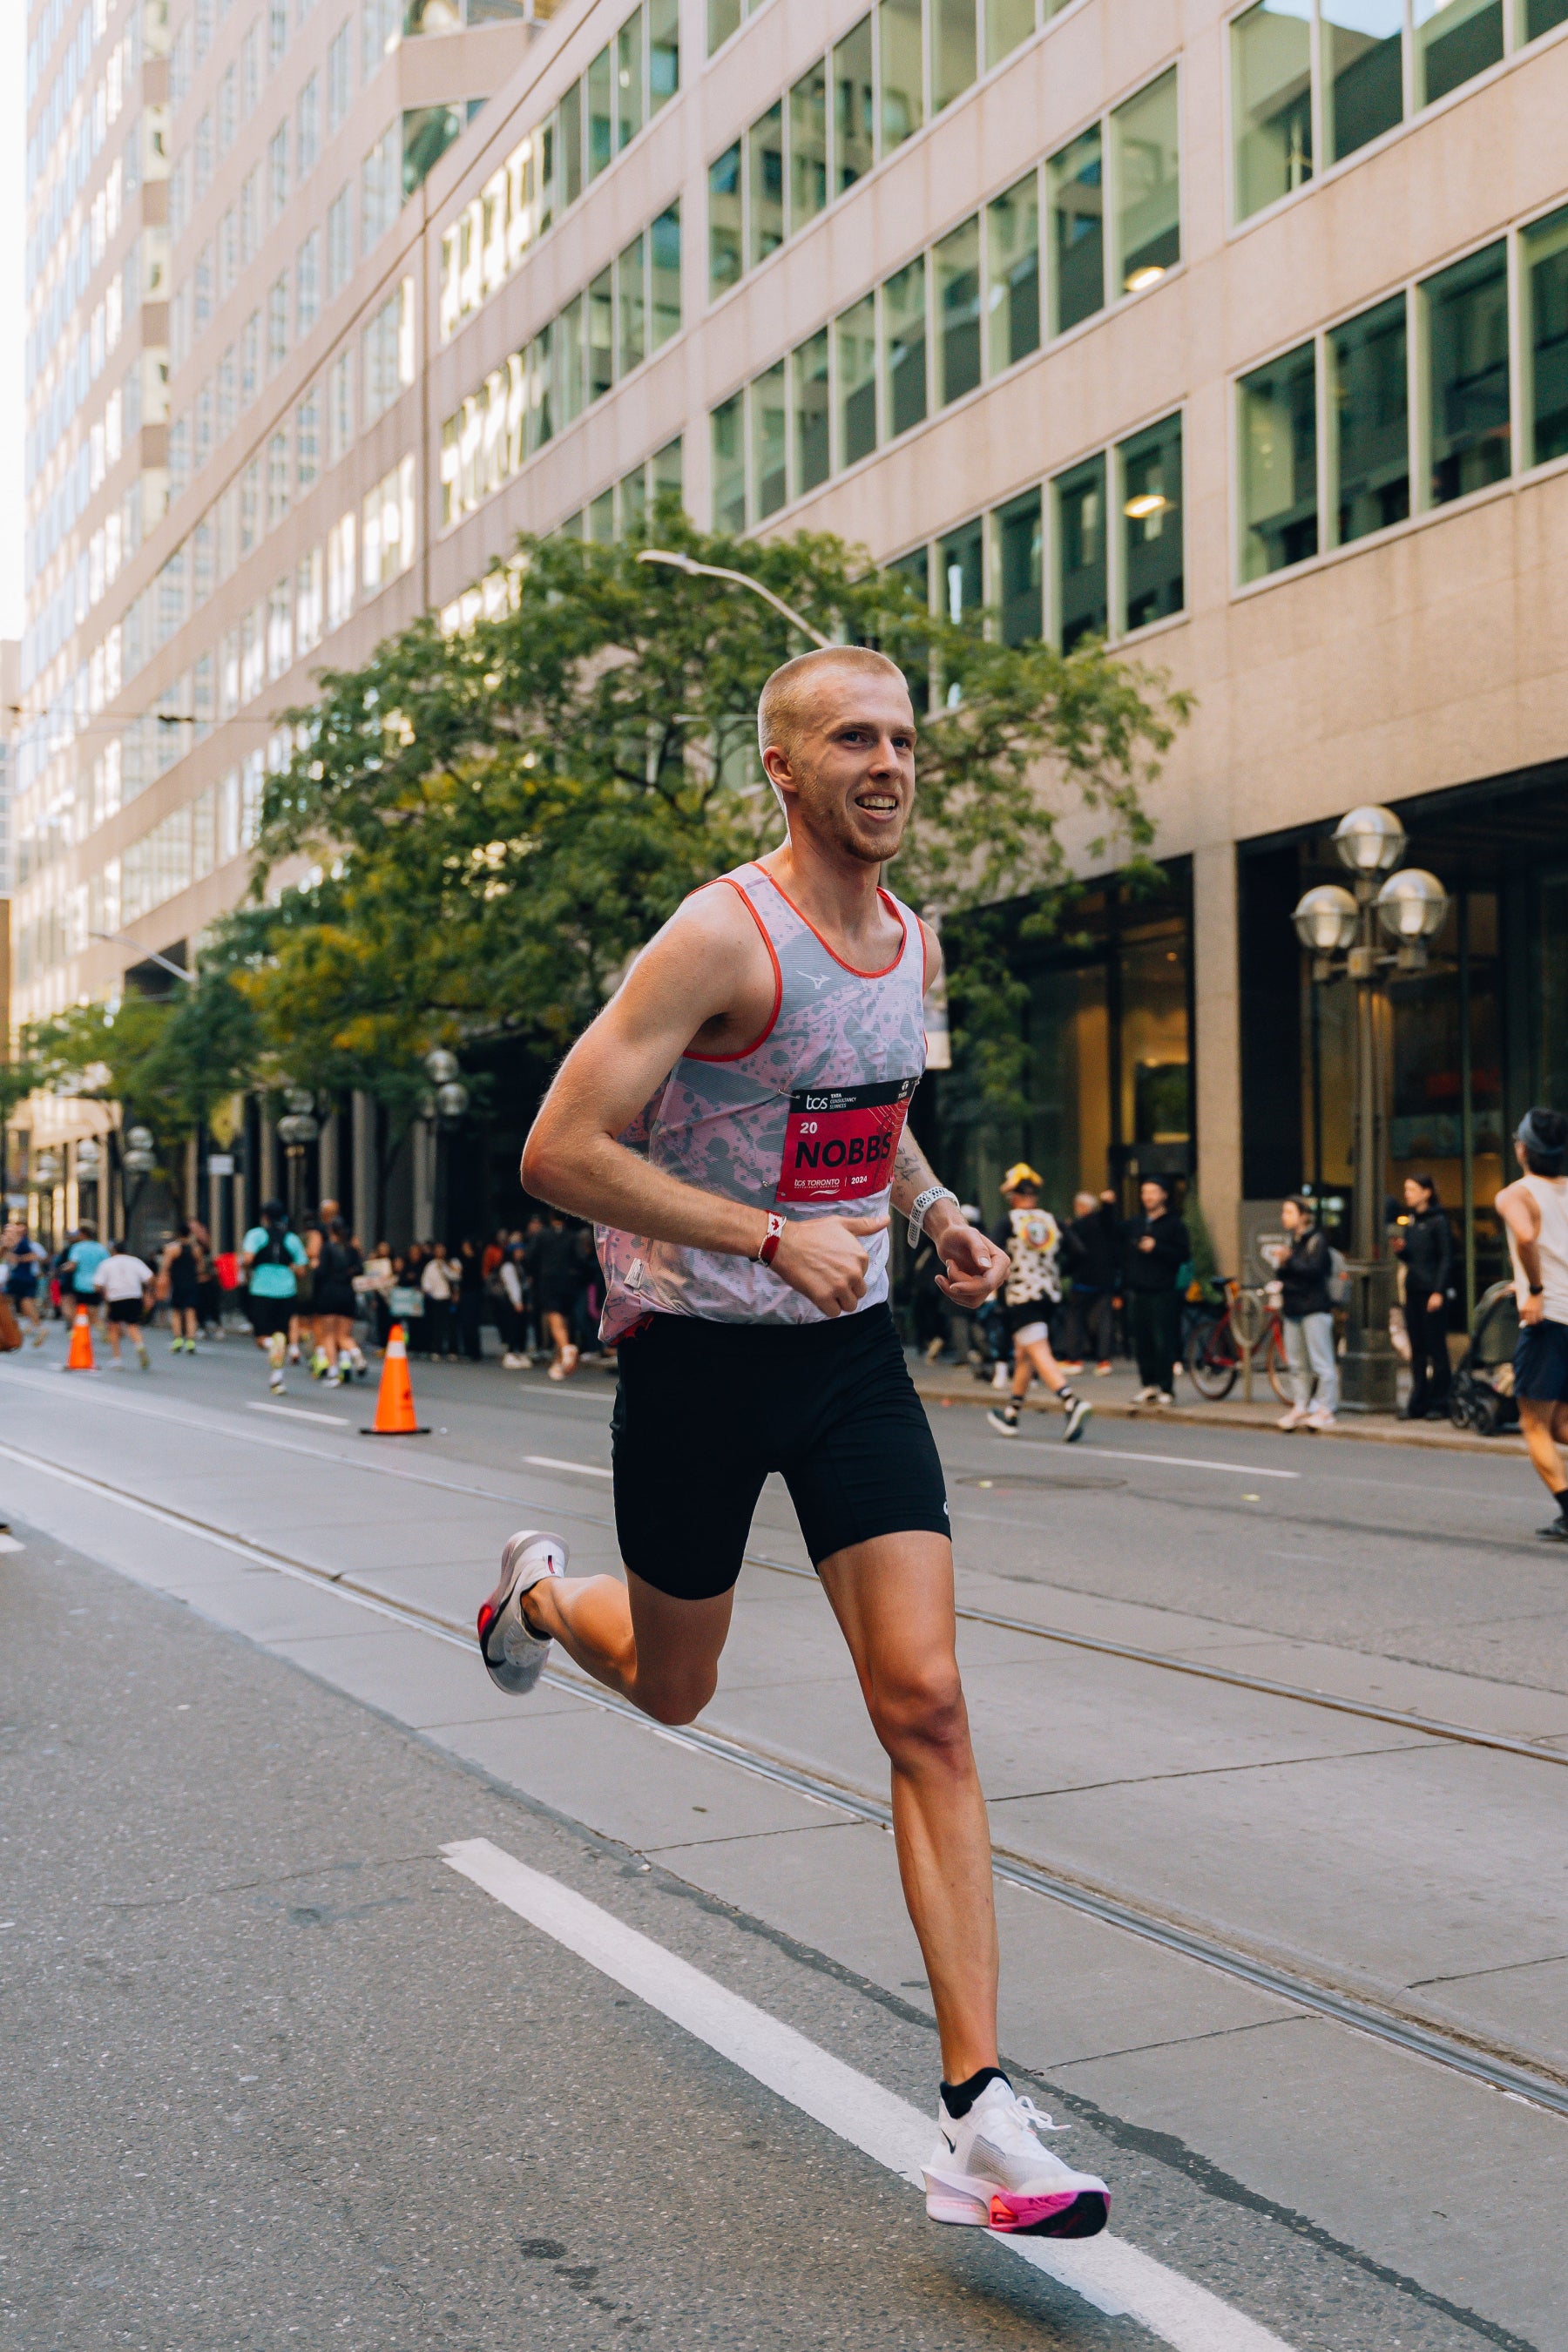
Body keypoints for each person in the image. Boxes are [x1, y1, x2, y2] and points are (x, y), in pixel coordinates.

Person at [477, 644, 1110, 2240]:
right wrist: (764, 1238)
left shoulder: (910, 938)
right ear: (784, 767)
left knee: (930, 1706)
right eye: (852, 740)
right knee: (677, 1688)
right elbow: (559, 1149)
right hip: (696, 1362)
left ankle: (980, 2113)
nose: (888, 763)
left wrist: (939, 1215)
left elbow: (864, 1101)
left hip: (848, 1362)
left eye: (903, 738)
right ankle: (540, 1602)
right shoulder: (717, 933)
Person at [1496, 1107, 1568, 1543]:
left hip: (1548, 1321)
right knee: (1561, 1424)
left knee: (1534, 1422)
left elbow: (1526, 1237)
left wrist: (1535, 1289)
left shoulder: (1515, 1194)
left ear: (1523, 1149)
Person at [985, 1166, 1091, 1443]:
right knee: (1024, 1354)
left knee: (1038, 1350)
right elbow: (1080, 1252)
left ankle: (1070, 1401)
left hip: (1021, 1297)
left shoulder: (1008, 1221)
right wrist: (1059, 1272)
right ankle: (1011, 1413)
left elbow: (991, 1252)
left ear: (1012, 1196)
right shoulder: (1052, 1220)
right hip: (1049, 1296)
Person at [1271, 1197, 1337, 1432]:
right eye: (1283, 1212)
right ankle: (1301, 1406)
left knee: (1321, 1362)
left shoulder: (1317, 1241)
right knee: (1297, 1363)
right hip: (1293, 1308)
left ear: (1303, 1216)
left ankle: (1326, 1409)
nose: (1284, 1217)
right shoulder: (1292, 1240)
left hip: (1314, 1307)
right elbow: (1286, 1275)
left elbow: (1315, 1271)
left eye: (1289, 1212)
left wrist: (1289, 1261)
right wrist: (1281, 1267)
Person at [1123, 1176, 1187, 1406]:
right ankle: (1148, 1385)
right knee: (1142, 1341)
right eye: (1144, 1192)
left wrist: (1157, 1248)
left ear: (1164, 1195)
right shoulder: (1137, 1222)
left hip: (1163, 1291)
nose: (1148, 1197)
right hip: (1138, 1289)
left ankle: (1166, 1387)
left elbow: (1183, 1255)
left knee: (1163, 1340)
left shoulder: (1174, 1224)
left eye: (1153, 1192)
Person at [1393, 1175, 1453, 1420]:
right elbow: (1416, 1259)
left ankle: (1440, 1402)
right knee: (1417, 1349)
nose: (1407, 1194)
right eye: (1406, 1189)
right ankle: (1418, 1402)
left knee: (1436, 1348)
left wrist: (1438, 1290)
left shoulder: (1439, 1221)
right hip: (1414, 1290)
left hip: (1431, 1293)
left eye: (1412, 1189)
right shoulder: (1412, 1221)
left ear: (1426, 1192)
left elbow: (1446, 1258)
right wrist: (1403, 1251)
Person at [240, 1200, 309, 1393]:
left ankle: (273, 1346)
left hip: (261, 1289)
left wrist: (246, 1268)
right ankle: (277, 1378)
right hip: (287, 1291)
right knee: (281, 1332)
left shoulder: (256, 1234)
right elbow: (302, 1270)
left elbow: (247, 1259)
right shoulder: (292, 1239)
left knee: (262, 1337)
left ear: (265, 1216)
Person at [1061, 1191, 1119, 1375]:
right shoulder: (1105, 1224)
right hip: (1105, 1280)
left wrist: (1064, 1272)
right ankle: (1103, 1361)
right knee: (1104, 1320)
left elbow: (1072, 1252)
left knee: (1075, 1318)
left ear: (1082, 1207)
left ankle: (1074, 1359)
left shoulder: (1078, 1226)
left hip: (1083, 1280)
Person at [528, 1212, 583, 1381]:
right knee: (564, 1321)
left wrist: (534, 1274)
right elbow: (580, 1260)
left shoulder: (542, 1235)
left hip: (548, 1281)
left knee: (554, 1318)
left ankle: (566, 1349)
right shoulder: (573, 1237)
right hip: (568, 1282)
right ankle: (559, 1363)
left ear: (551, 1218)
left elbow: (531, 1257)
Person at [312, 1216, 363, 1384]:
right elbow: (360, 1269)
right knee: (344, 1334)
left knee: (328, 1334)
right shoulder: (352, 1249)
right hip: (348, 1293)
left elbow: (320, 1272)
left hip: (329, 1293)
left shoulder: (327, 1249)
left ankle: (333, 1370)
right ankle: (356, 1354)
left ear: (330, 1231)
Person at [93, 1240, 155, 1369]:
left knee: (113, 1328)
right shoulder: (135, 1261)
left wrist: (103, 1292)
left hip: (115, 1297)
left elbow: (97, 1285)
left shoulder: (107, 1264)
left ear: (113, 1251)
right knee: (133, 1325)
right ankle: (140, 1346)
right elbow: (150, 1277)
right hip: (134, 1296)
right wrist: (148, 1292)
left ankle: (117, 1359)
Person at [159, 1221, 205, 1353]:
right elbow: (200, 1267)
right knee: (191, 1312)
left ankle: (178, 1339)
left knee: (176, 1312)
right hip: (192, 1283)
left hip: (177, 1283)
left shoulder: (171, 1249)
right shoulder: (196, 1249)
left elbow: (165, 1267)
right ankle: (191, 1341)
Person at [63, 1221, 109, 1334]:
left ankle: (78, 1331)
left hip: (80, 1284)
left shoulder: (77, 1248)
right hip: (96, 1284)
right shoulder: (100, 1248)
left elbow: (72, 1265)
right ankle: (99, 1325)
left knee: (80, 1310)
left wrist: (62, 1268)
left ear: (83, 1233)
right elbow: (107, 1265)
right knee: (94, 1311)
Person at [5, 1225, 47, 1347]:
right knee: (22, 1303)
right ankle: (34, 1326)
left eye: (10, 1230)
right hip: (20, 1277)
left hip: (22, 1277)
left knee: (23, 1302)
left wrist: (18, 1259)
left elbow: (36, 1255)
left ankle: (37, 1327)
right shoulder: (16, 1244)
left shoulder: (23, 1243)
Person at [420, 1240, 458, 1358]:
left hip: (448, 1298)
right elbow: (426, 1282)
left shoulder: (451, 1263)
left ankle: (452, 1350)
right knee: (437, 1325)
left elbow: (456, 1277)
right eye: (438, 1250)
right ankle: (436, 1349)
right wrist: (428, 1292)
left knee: (450, 1326)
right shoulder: (431, 1265)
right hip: (436, 1298)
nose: (440, 1252)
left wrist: (445, 1268)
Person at [456, 1237, 487, 1362]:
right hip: (467, 1294)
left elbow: (468, 1278)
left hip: (472, 1294)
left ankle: (473, 1351)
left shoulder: (474, 1261)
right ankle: (470, 1350)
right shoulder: (466, 1260)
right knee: (467, 1323)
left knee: (471, 1323)